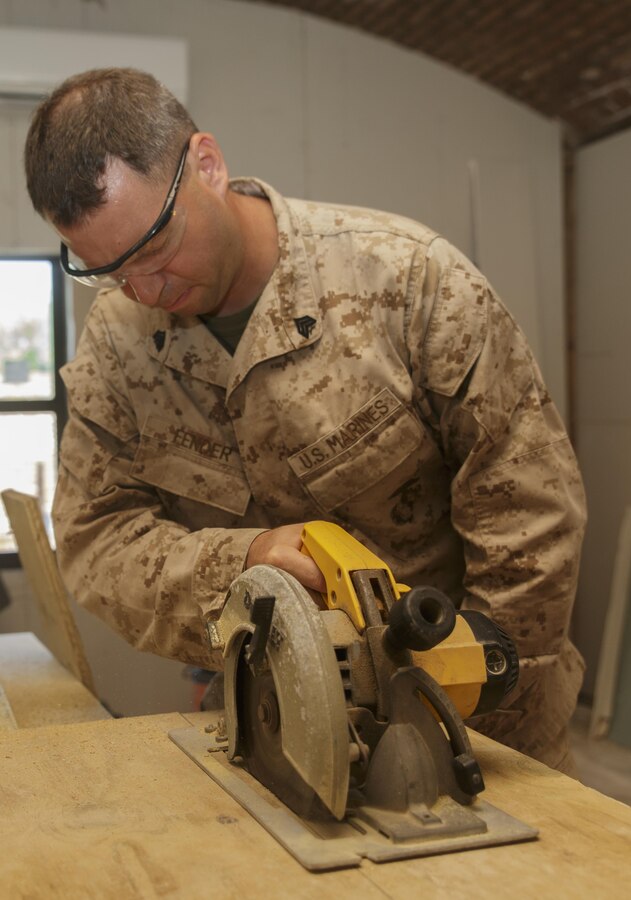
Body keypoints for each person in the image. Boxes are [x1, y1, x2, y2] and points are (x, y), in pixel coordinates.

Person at [24, 67, 586, 774]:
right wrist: (245, 563)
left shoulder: (411, 281)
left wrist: (471, 688)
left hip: (478, 733)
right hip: (271, 730)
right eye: (107, 269)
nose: (143, 290)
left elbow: (530, 516)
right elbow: (94, 538)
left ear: (207, 164)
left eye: (154, 248)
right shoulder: (117, 338)